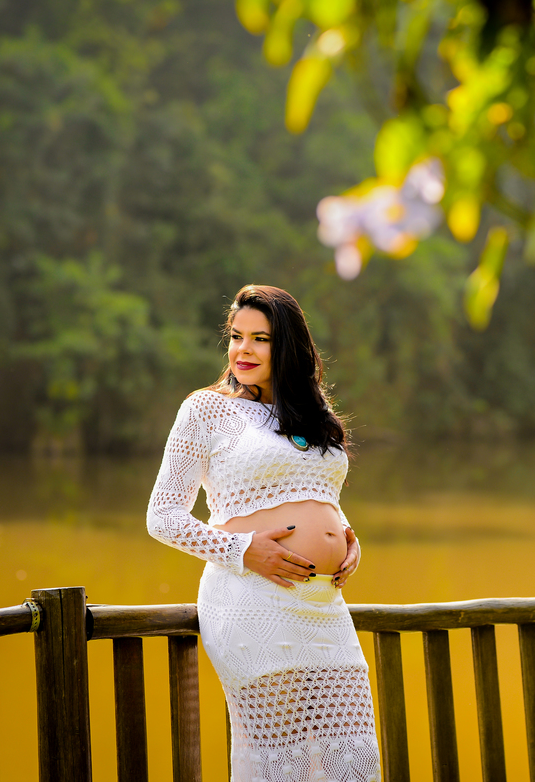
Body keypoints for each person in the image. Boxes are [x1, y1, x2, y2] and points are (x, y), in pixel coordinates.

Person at [146, 284, 380, 782]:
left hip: (323, 607)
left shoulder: (311, 417)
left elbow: (318, 491)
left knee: (353, 762)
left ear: (289, 347)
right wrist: (242, 550)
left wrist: (344, 536)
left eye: (261, 338)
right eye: (236, 336)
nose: (243, 350)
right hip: (251, 599)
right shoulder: (207, 410)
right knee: (283, 766)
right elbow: (162, 516)